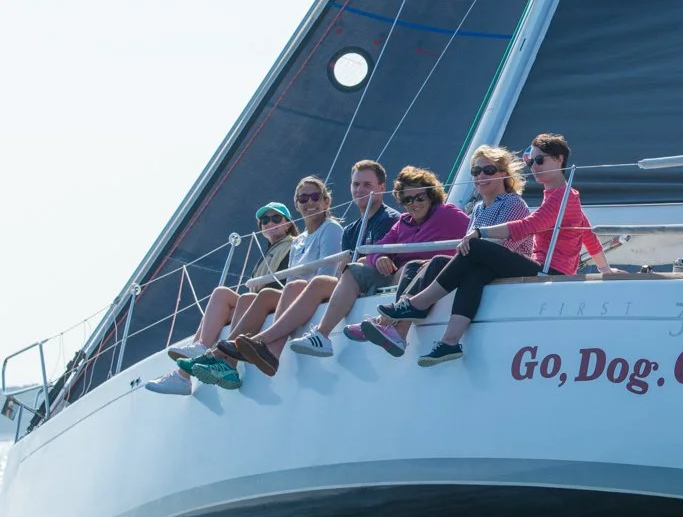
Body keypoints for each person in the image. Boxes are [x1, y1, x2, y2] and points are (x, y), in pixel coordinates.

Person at [378, 133, 623, 367]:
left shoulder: (562, 197)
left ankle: (417, 303)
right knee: (476, 272)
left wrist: (481, 232)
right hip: (542, 267)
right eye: (530, 161)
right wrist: (604, 268)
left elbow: (529, 225)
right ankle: (450, 342)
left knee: (476, 247)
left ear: (559, 160)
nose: (534, 167)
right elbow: (587, 233)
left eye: (540, 160)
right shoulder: (561, 196)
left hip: (550, 271)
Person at [235, 166, 469, 374]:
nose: (414, 204)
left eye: (420, 197)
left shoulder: (447, 213)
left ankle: (393, 328)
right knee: (353, 269)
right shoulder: (402, 222)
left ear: (431, 195)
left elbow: (473, 232)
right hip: (395, 277)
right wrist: (381, 256)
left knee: (412, 266)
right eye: (408, 200)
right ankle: (321, 335)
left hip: (428, 276)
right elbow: (376, 249)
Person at [166, 176, 343, 392]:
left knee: (279, 290)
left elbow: (326, 272)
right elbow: (290, 280)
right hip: (296, 290)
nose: (310, 202)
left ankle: (250, 351)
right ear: (296, 204)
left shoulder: (330, 228)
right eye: (303, 199)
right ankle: (227, 363)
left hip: (316, 290)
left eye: (315, 196)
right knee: (251, 297)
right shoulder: (299, 240)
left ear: (326, 201)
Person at [354, 145, 533, 357]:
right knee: (419, 265)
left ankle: (405, 310)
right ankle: (403, 331)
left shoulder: (513, 203)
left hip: (509, 265)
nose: (480, 176)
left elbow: (496, 247)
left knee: (454, 258)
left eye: (488, 170)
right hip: (483, 266)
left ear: (503, 174)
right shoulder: (478, 208)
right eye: (476, 171)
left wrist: (464, 251)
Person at [144, 202, 299, 395]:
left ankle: (204, 367)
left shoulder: (295, 244)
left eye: (276, 218)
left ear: (288, 224)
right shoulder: (268, 252)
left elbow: (286, 282)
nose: (270, 223)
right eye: (265, 220)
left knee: (244, 299)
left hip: (275, 301)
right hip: (259, 300)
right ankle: (196, 354)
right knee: (221, 293)